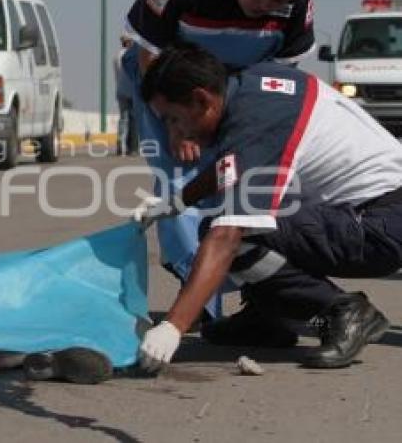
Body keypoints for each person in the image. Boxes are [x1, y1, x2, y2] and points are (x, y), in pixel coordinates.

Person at [135, 43, 401, 371]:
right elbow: (229, 165)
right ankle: (272, 315)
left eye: (174, 119)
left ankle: (341, 313)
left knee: (239, 233)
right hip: (377, 212)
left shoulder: (256, 123)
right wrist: (175, 203)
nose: (175, 132)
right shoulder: (252, 88)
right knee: (245, 219)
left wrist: (173, 326)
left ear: (202, 100)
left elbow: (227, 236)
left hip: (380, 225)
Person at [122, 0, 316, 316]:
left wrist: (252, 129)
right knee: (182, 178)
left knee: (248, 185)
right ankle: (200, 301)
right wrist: (179, 125)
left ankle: (260, 298)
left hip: (239, 90)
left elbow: (284, 70)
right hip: (170, 86)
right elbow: (147, 55)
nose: (265, 5)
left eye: (275, 0)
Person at [113, 34, 138, 156]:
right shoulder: (131, 56)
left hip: (120, 91)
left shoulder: (117, 56)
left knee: (123, 119)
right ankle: (132, 147)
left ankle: (120, 142)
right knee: (133, 119)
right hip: (132, 92)